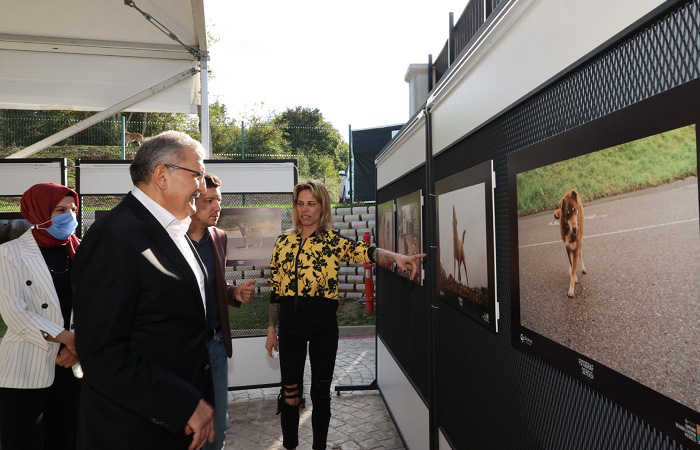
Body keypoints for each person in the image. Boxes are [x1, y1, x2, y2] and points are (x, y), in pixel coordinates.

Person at [72, 131, 215, 450]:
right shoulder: (114, 237)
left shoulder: (176, 231)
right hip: (133, 431)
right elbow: (101, 352)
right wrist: (180, 404)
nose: (202, 187)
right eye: (198, 174)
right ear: (162, 175)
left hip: (176, 427)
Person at [264, 180, 425, 450]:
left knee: (321, 393)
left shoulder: (332, 242)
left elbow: (367, 252)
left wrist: (394, 256)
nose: (305, 210)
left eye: (311, 204)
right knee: (290, 391)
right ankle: (290, 445)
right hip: (290, 326)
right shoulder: (283, 242)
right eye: (300, 203)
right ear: (295, 207)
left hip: (323, 326)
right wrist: (271, 329)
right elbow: (276, 289)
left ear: (322, 207)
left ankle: (319, 447)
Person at [0, 182, 82, 450]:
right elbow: (15, 312)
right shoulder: (9, 253)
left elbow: (98, 305)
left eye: (72, 209)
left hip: (74, 365)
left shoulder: (83, 251)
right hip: (26, 365)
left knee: (68, 439)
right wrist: (68, 339)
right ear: (38, 211)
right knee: (24, 440)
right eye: (60, 209)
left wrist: (78, 346)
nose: (69, 216)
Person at [187, 173, 256, 450]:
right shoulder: (171, 239)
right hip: (184, 349)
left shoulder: (219, 237)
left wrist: (233, 293)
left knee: (219, 422)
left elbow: (215, 283)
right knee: (187, 423)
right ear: (191, 202)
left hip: (215, 345)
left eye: (219, 200)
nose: (217, 207)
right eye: (209, 201)